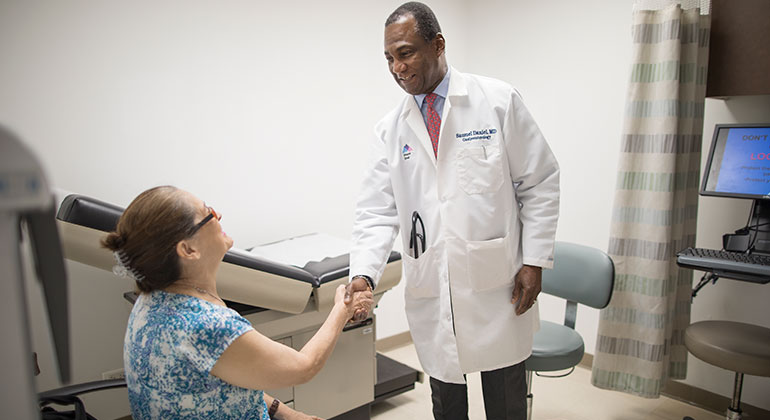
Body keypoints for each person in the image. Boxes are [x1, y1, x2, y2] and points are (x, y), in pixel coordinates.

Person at [345, 2, 560, 419]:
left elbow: (540, 181)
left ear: (438, 44)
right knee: (447, 404)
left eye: (405, 52)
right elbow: (375, 211)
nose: (396, 67)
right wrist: (362, 275)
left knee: (505, 404)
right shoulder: (391, 129)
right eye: (389, 58)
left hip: (498, 285)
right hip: (433, 287)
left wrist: (534, 261)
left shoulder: (496, 101)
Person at [103, 186, 373, 420]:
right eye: (207, 212)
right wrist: (342, 307)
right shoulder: (207, 324)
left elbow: (221, 377)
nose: (217, 215)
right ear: (188, 250)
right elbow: (304, 367)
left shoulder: (149, 302)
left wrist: (282, 410)